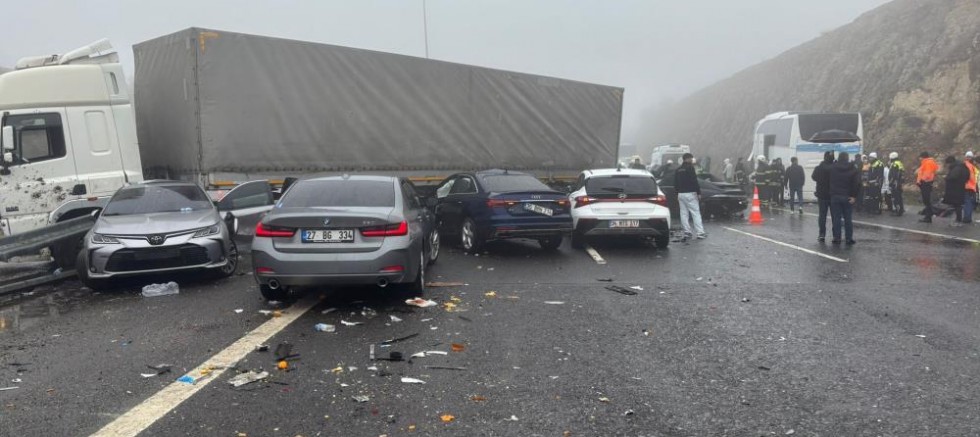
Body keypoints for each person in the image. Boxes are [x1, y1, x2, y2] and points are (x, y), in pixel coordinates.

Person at [829, 152, 861, 244]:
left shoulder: (833, 168)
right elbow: (857, 183)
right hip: (848, 197)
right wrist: (854, 196)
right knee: (848, 219)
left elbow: (828, 180)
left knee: (836, 218)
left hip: (835, 196)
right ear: (847, 158)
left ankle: (837, 237)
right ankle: (848, 238)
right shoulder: (853, 168)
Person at [674, 153, 706, 240]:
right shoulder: (690, 168)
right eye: (691, 159)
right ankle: (700, 233)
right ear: (687, 159)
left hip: (681, 194)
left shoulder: (678, 169)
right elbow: (694, 180)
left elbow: (675, 183)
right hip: (690, 193)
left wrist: (677, 194)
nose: (692, 160)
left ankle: (687, 232)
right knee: (695, 213)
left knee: (684, 214)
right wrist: (698, 192)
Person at [811, 151, 835, 242]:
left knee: (822, 215)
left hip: (822, 195)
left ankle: (822, 234)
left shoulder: (819, 168)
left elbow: (813, 177)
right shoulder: (835, 168)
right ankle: (835, 235)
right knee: (835, 216)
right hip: (833, 195)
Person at [943, 156, 969, 226]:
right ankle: (958, 220)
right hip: (961, 187)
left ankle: (958, 220)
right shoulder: (963, 166)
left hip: (955, 189)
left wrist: (946, 177)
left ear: (950, 162)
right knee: (958, 204)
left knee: (957, 204)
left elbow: (953, 177)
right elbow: (967, 176)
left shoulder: (957, 167)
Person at [916, 151, 939, 223]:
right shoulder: (927, 162)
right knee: (927, 200)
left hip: (925, 183)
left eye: (920, 157)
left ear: (922, 157)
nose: (919, 159)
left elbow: (927, 174)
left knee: (926, 200)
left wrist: (922, 181)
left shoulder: (927, 163)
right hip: (926, 183)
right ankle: (928, 215)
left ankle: (928, 217)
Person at [888, 152, 905, 216]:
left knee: (895, 198)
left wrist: (891, 183)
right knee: (899, 197)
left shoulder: (894, 164)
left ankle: (898, 211)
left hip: (895, 183)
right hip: (899, 183)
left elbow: (893, 175)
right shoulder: (900, 163)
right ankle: (901, 209)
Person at [963, 151, 977, 224]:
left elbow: (966, 176)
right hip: (972, 187)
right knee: (970, 202)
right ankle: (968, 217)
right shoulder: (972, 166)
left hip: (967, 186)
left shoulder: (966, 165)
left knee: (967, 202)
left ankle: (967, 218)